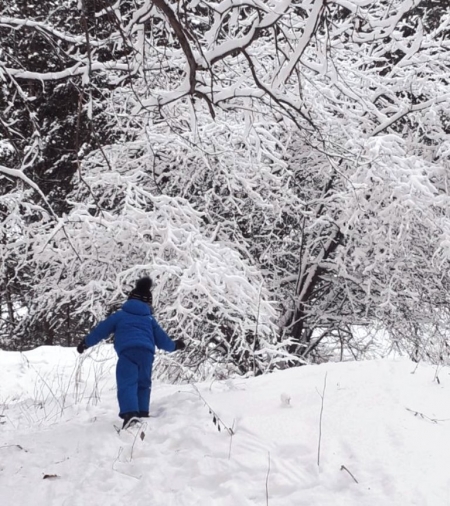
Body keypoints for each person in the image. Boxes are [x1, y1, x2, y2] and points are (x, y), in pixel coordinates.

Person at [77, 277, 185, 429]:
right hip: (146, 354)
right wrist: (175, 346)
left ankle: (130, 415)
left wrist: (85, 343)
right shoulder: (149, 320)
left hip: (127, 352)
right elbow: (163, 340)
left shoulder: (120, 315)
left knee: (127, 383)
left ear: (130, 300)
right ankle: (142, 412)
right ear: (148, 304)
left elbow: (102, 330)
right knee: (143, 383)